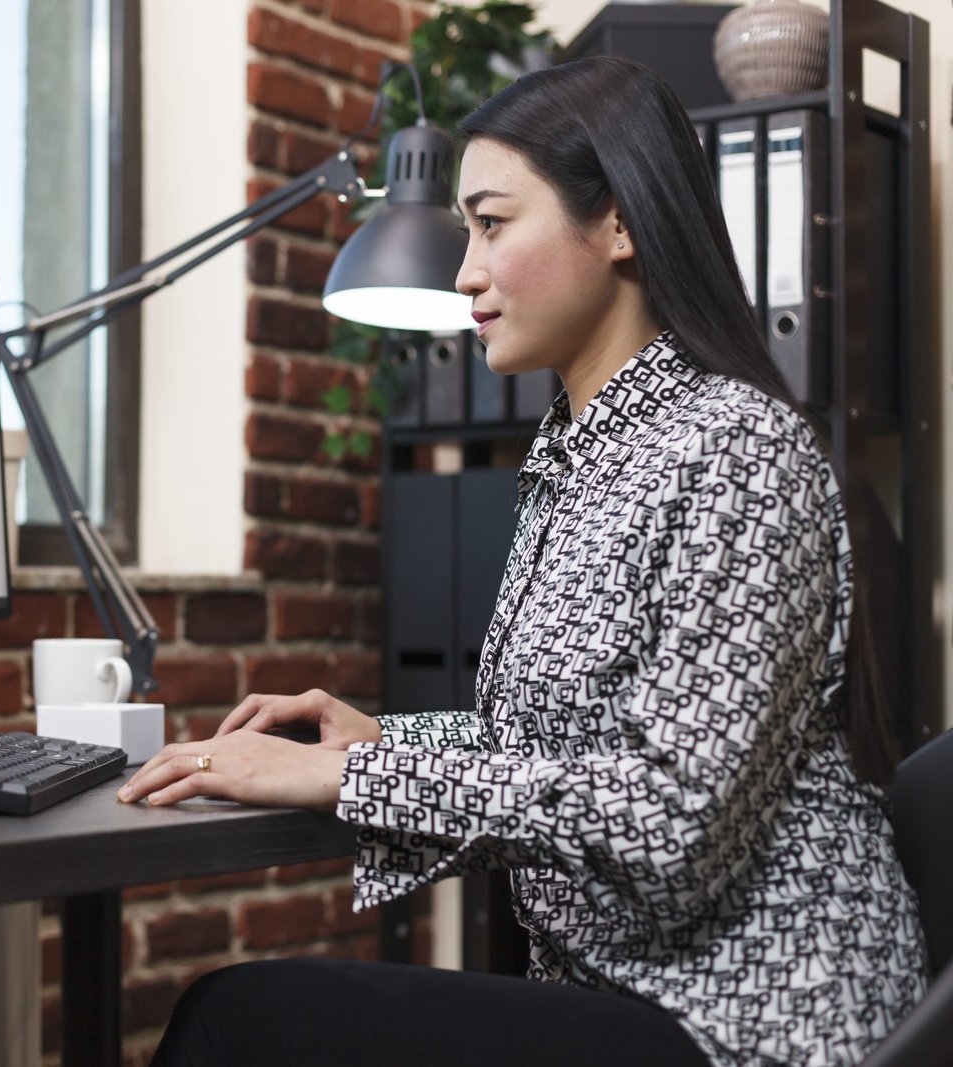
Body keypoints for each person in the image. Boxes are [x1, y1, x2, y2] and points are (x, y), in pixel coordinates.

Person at [117, 56, 927, 1067]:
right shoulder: (576, 451)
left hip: (752, 1019)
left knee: (238, 1021)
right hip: (637, 990)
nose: (463, 272)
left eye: (491, 224)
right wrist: (389, 735)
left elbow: (667, 815)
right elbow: (568, 742)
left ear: (619, 224)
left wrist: (354, 775)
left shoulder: (734, 448)